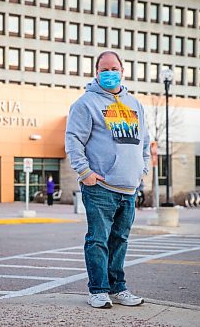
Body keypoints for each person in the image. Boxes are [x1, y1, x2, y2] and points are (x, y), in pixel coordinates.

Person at [65, 50, 150, 309]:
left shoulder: (135, 104)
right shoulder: (86, 103)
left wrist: (142, 169)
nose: (110, 73)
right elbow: (73, 140)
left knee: (120, 240)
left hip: (129, 187)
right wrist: (85, 172)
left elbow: (144, 142)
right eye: (104, 69)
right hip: (100, 186)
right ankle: (99, 290)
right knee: (98, 240)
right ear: (97, 73)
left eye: (114, 68)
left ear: (123, 72)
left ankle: (117, 288)